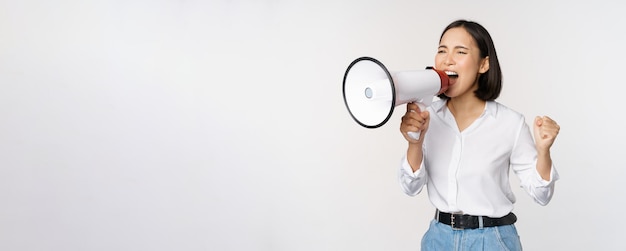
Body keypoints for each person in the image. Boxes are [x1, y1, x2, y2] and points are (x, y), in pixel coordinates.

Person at [398, 19, 560, 250]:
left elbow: (541, 195)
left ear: (484, 64)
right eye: (441, 51)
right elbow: (410, 188)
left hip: (492, 240)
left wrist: (544, 152)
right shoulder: (427, 117)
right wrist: (415, 142)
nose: (447, 59)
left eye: (460, 51)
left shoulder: (510, 123)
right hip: (438, 239)